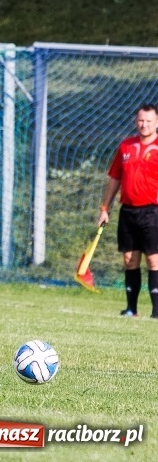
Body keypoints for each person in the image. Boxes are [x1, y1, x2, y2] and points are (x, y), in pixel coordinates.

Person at [98, 103, 158, 319]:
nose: (144, 124)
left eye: (149, 121)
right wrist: (105, 208)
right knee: (129, 260)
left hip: (153, 212)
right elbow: (115, 178)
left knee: (154, 260)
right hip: (128, 211)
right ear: (136, 121)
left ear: (156, 122)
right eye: (141, 120)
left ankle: (156, 312)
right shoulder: (126, 146)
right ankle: (131, 309)